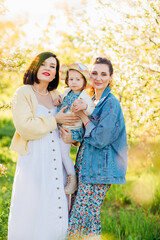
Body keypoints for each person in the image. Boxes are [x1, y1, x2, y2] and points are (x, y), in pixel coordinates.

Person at [8, 52, 79, 240]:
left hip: (57, 163)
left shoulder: (58, 95)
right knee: (33, 208)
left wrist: (73, 138)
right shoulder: (23, 92)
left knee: (55, 209)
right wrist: (54, 119)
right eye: (44, 64)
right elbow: (25, 127)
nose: (48, 69)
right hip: (34, 160)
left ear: (56, 74)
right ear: (35, 67)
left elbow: (72, 121)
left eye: (53, 66)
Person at [60, 57, 127, 239]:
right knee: (80, 217)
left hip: (100, 171)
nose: (98, 77)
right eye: (95, 73)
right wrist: (72, 137)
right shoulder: (91, 101)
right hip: (85, 167)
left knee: (82, 219)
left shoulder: (110, 103)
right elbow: (85, 135)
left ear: (110, 77)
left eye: (103, 74)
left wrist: (82, 116)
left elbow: (100, 138)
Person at [55, 63, 95, 195]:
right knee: (58, 152)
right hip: (61, 127)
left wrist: (84, 106)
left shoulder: (84, 97)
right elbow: (61, 100)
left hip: (72, 130)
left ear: (84, 82)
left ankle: (72, 180)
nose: (74, 82)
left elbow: (91, 109)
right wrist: (58, 100)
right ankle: (63, 176)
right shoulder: (67, 92)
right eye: (71, 79)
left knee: (63, 153)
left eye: (78, 79)